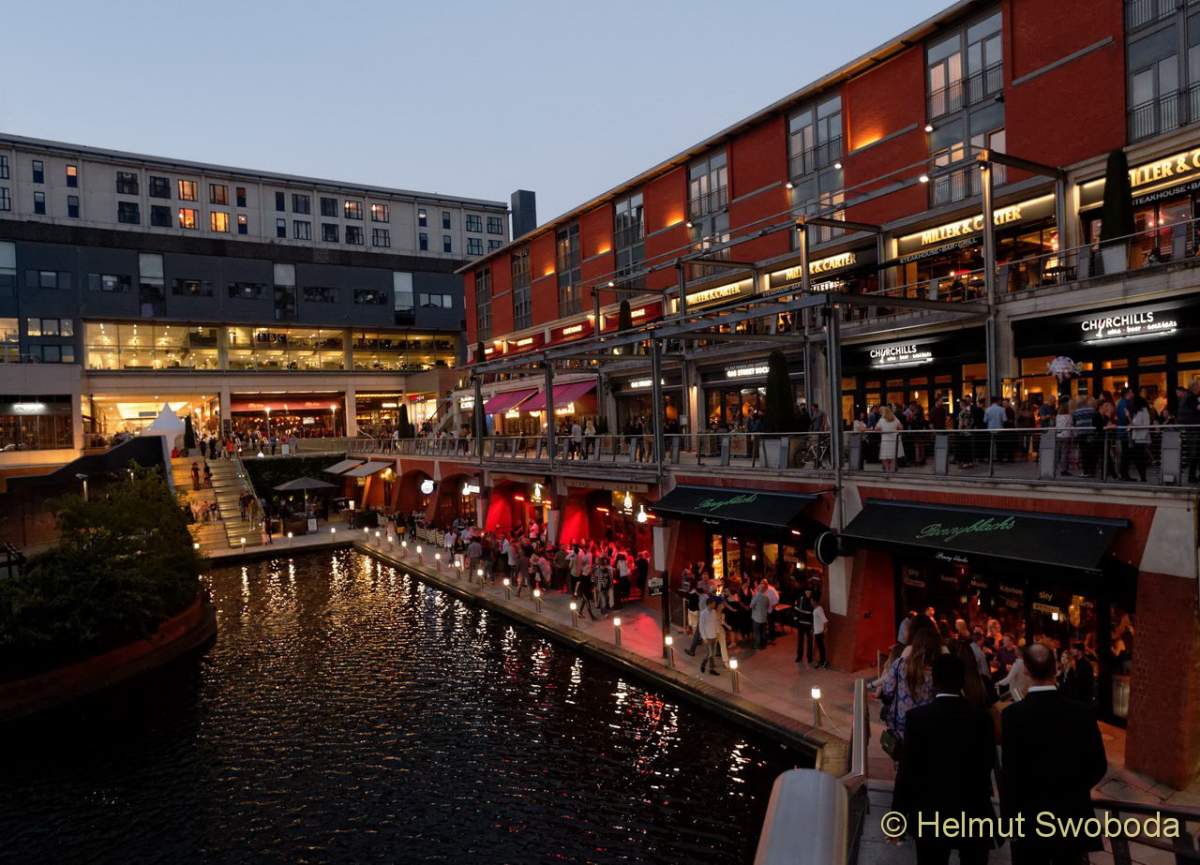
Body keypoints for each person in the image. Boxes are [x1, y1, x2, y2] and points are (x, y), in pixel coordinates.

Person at [1001, 643, 1108, 865]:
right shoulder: (1082, 712)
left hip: (1030, 820)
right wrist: (1073, 788)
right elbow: (1098, 765)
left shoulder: (1012, 715)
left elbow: (1011, 773)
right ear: (1056, 668)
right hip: (1071, 817)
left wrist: (1009, 821)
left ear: (1026, 670)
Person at [893, 654, 995, 865]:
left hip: (930, 812)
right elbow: (987, 765)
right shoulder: (982, 718)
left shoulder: (917, 718)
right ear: (962, 681)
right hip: (972, 810)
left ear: (934, 681)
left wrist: (897, 815)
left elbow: (907, 771)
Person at [875, 406, 904, 473]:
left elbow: (876, 428)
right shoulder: (895, 418)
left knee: (885, 456)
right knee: (893, 457)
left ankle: (887, 470)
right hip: (894, 439)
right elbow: (901, 427)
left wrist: (882, 429)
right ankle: (892, 470)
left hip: (886, 440)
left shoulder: (882, 419)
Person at [698, 597, 723, 675]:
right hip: (707, 637)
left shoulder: (714, 612)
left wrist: (717, 632)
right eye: (714, 603)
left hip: (714, 636)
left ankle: (711, 669)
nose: (715, 605)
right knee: (710, 653)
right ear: (709, 604)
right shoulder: (703, 613)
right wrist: (704, 637)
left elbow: (716, 623)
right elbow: (701, 626)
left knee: (713, 653)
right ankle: (704, 663)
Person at [794, 587, 815, 665]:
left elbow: (813, 614)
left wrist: (813, 625)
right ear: (804, 592)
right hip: (801, 624)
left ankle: (809, 657)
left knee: (810, 641)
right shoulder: (800, 599)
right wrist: (796, 620)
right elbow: (796, 610)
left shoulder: (812, 601)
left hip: (809, 625)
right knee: (800, 641)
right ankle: (799, 656)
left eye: (809, 592)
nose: (808, 594)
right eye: (807, 592)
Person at [749, 581, 771, 649]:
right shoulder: (766, 597)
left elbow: (751, 606)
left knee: (757, 633)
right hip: (764, 617)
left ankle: (757, 646)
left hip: (756, 617)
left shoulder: (756, 596)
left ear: (758, 589)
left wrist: (753, 597)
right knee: (763, 632)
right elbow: (767, 606)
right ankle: (763, 645)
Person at [811, 592, 829, 668]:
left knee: (821, 648)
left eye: (811, 600)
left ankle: (823, 661)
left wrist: (825, 630)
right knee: (820, 647)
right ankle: (822, 661)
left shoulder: (818, 610)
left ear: (814, 601)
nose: (811, 602)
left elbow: (825, 620)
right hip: (817, 631)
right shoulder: (817, 609)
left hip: (819, 632)